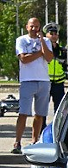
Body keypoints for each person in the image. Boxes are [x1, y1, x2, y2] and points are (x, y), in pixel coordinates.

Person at [12, 17, 53, 154]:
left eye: (37, 26)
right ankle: (17, 141)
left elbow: (49, 58)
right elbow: (24, 59)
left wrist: (42, 41)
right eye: (32, 26)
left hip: (43, 81)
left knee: (40, 114)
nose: (34, 29)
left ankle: (34, 141)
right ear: (27, 27)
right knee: (23, 112)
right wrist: (39, 53)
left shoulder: (46, 41)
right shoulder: (22, 40)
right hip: (27, 80)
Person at [45, 23, 68, 113]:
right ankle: (42, 127)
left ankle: (57, 126)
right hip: (46, 82)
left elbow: (64, 65)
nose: (54, 36)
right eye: (51, 33)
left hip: (59, 83)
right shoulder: (43, 49)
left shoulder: (62, 50)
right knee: (42, 109)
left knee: (59, 109)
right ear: (46, 35)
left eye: (55, 34)